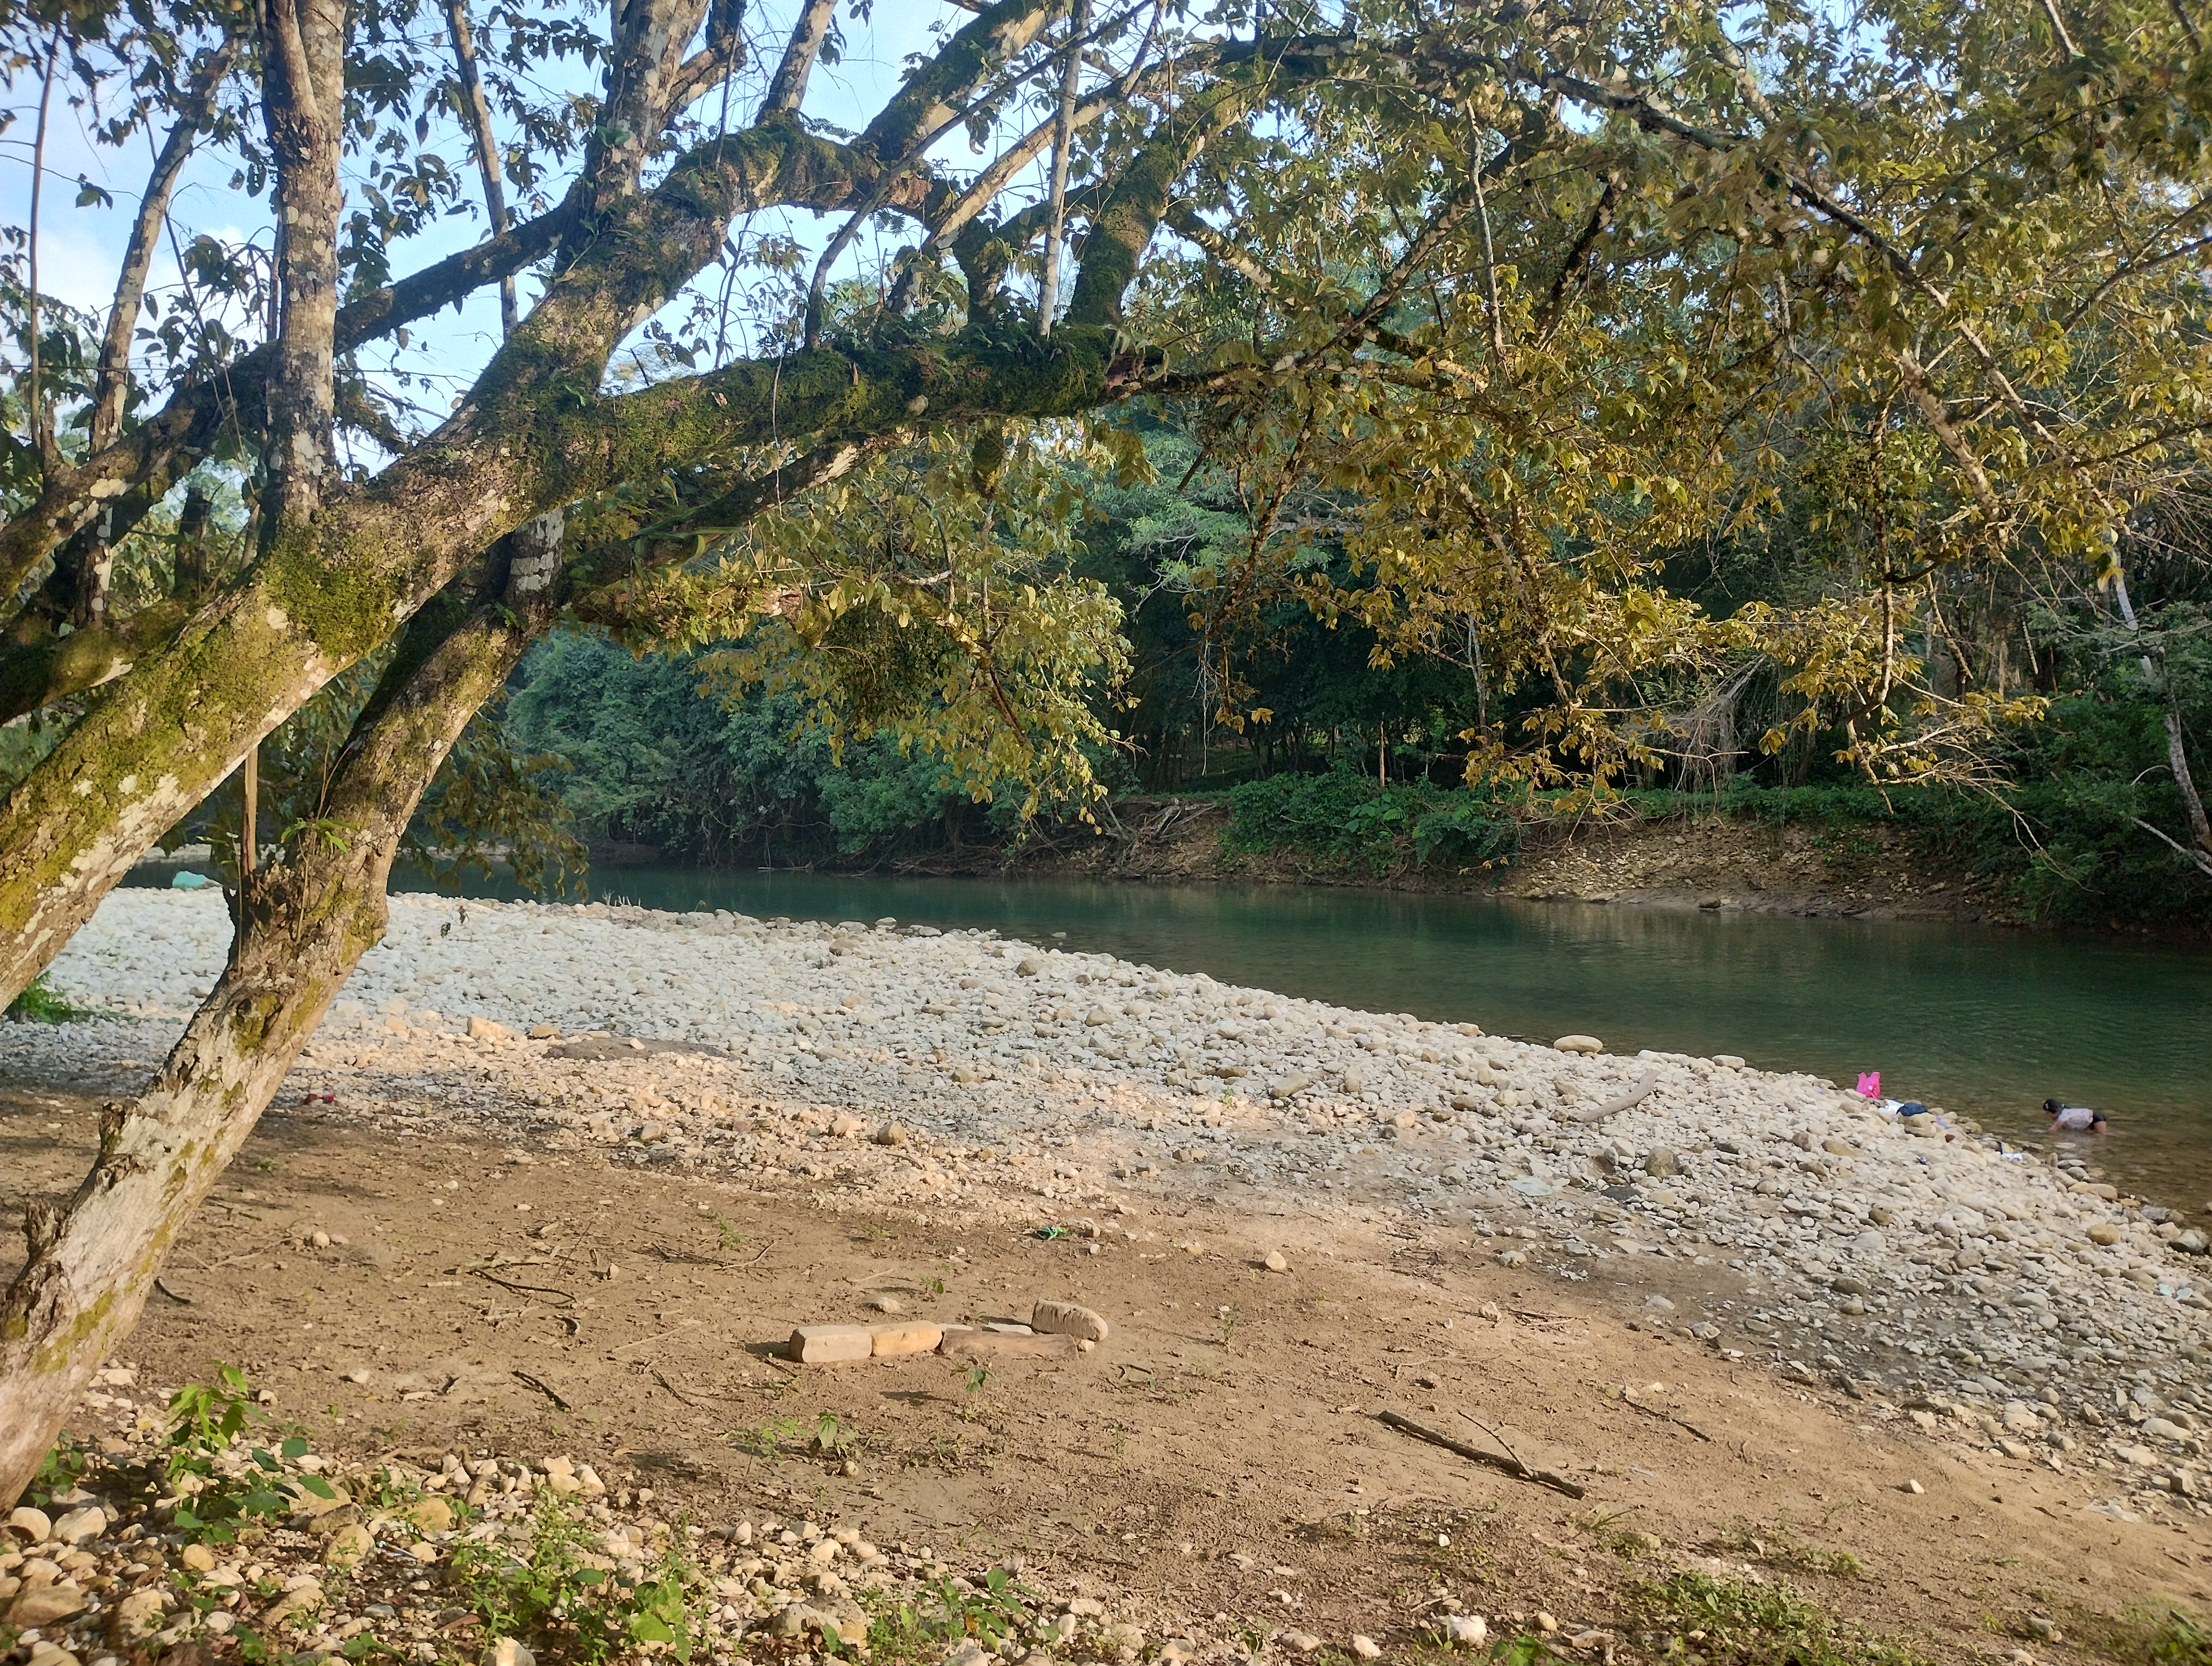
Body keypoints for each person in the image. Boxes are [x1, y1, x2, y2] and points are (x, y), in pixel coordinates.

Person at [2043, 1098, 2108, 1135]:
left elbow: (2055, 1127)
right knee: (2098, 1135)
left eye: (2048, 1113)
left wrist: (2044, 1134)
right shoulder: (2065, 1113)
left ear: (2055, 1112)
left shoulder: (2063, 1116)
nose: (2048, 1116)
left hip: (2096, 1118)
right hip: (2090, 1123)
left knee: (2101, 1137)